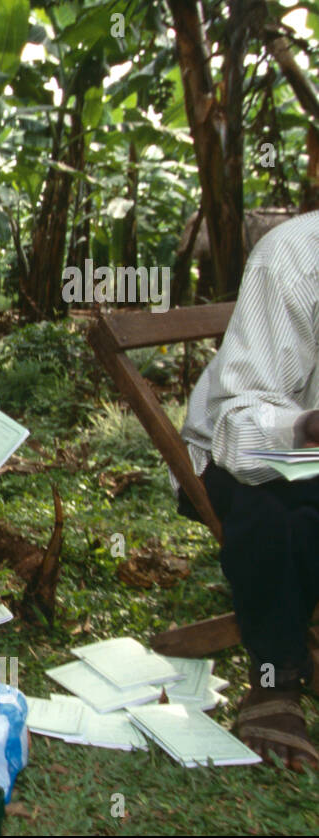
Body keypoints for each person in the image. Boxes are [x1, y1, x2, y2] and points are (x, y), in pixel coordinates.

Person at [181, 210, 319, 771]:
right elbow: (240, 430)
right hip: (249, 450)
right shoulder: (294, 259)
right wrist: (308, 429)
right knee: (280, 508)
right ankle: (275, 679)